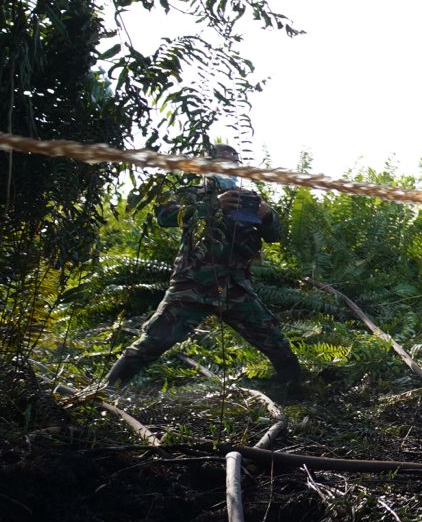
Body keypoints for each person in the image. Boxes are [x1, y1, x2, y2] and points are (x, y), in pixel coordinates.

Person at [105, 144, 307, 398]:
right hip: (193, 287)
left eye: (236, 161)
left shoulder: (247, 197)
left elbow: (275, 236)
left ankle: (296, 395)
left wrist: (267, 216)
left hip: (235, 288)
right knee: (153, 342)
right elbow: (165, 216)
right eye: (225, 161)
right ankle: (104, 393)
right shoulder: (192, 193)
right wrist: (213, 205)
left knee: (275, 341)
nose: (232, 166)